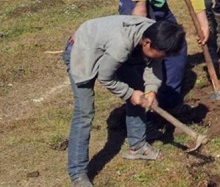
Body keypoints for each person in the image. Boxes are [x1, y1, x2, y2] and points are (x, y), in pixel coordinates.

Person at [63, 16, 185, 186]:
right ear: (147, 43)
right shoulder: (121, 44)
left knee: (139, 90)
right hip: (83, 51)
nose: (163, 57)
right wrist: (129, 93)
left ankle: (138, 146)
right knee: (84, 113)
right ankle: (78, 174)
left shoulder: (155, 32)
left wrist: (151, 90)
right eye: (162, 54)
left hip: (109, 48)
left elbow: (155, 63)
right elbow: (106, 78)